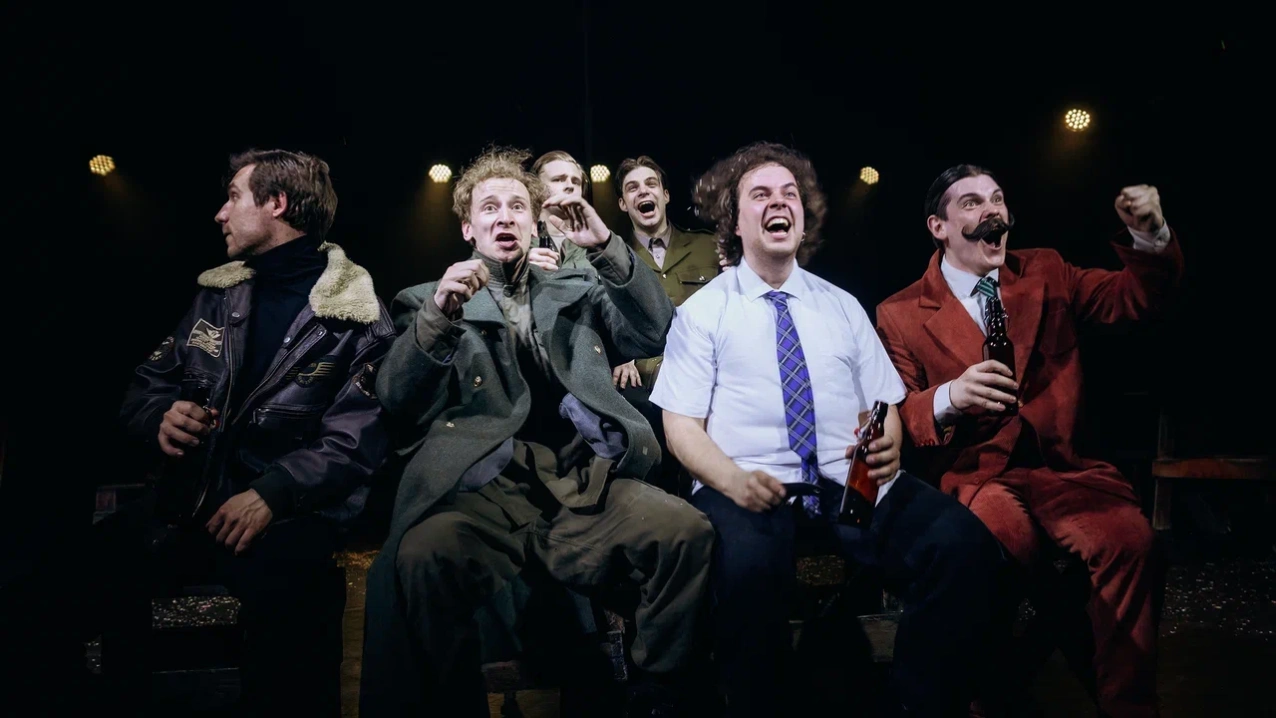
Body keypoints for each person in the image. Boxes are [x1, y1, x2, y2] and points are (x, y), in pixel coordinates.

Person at [651, 142, 1004, 717]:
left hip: (850, 481)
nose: (779, 202)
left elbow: (884, 403)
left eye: (789, 193)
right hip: (748, 485)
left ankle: (916, 704)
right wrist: (734, 482)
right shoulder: (703, 313)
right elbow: (680, 427)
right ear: (735, 222)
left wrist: (889, 442)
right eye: (760, 194)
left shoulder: (841, 305)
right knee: (746, 575)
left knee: (964, 548)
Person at [359, 146, 714, 717]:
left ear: (534, 221)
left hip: (581, 487)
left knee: (685, 531)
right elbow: (397, 399)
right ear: (467, 227)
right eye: (490, 207)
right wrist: (436, 321)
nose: (505, 216)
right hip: (486, 494)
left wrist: (606, 247)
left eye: (517, 206)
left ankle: (657, 694)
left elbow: (654, 331)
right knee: (422, 555)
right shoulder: (427, 300)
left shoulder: (575, 285)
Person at [875, 164, 1184, 717]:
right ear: (938, 227)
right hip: (978, 476)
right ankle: (992, 694)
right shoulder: (899, 313)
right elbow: (898, 411)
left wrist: (1150, 234)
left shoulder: (1046, 271)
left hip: (1063, 469)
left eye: (996, 199)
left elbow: (1134, 298)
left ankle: (1130, 706)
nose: (992, 211)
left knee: (1132, 541)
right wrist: (950, 396)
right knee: (998, 549)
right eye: (971, 203)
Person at [99, 149, 395, 715]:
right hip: (188, 503)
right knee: (74, 571)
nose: (220, 213)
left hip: (288, 518)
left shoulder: (359, 317)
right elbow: (145, 387)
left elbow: (357, 439)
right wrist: (162, 416)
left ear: (277, 203)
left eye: (234, 197)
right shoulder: (217, 295)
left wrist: (273, 492)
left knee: (298, 602)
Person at [528, 149, 592, 271]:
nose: (570, 186)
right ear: (536, 187)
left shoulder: (596, 242)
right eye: (558, 179)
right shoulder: (520, 242)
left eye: (576, 182)